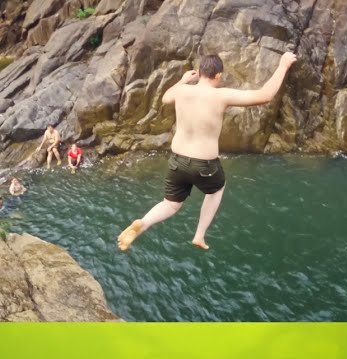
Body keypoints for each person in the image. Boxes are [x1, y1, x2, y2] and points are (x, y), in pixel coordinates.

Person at [117, 51, 298, 252]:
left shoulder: (182, 91)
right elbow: (264, 96)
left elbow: (166, 98)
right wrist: (283, 66)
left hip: (177, 161)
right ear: (218, 76)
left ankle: (143, 223)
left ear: (201, 72)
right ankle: (199, 235)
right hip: (204, 164)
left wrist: (182, 80)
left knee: (171, 204)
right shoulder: (221, 95)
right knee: (217, 189)